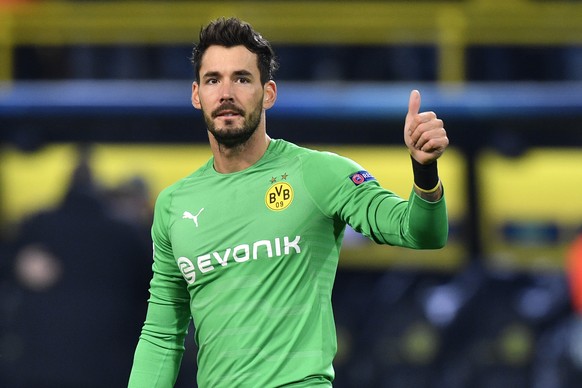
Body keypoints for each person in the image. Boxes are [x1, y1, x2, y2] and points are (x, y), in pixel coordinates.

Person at [128, 17, 449, 388]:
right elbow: (162, 335)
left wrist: (424, 172)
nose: (226, 92)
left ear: (269, 93)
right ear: (197, 94)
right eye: (214, 79)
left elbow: (420, 232)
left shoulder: (318, 174)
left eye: (242, 79)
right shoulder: (174, 204)